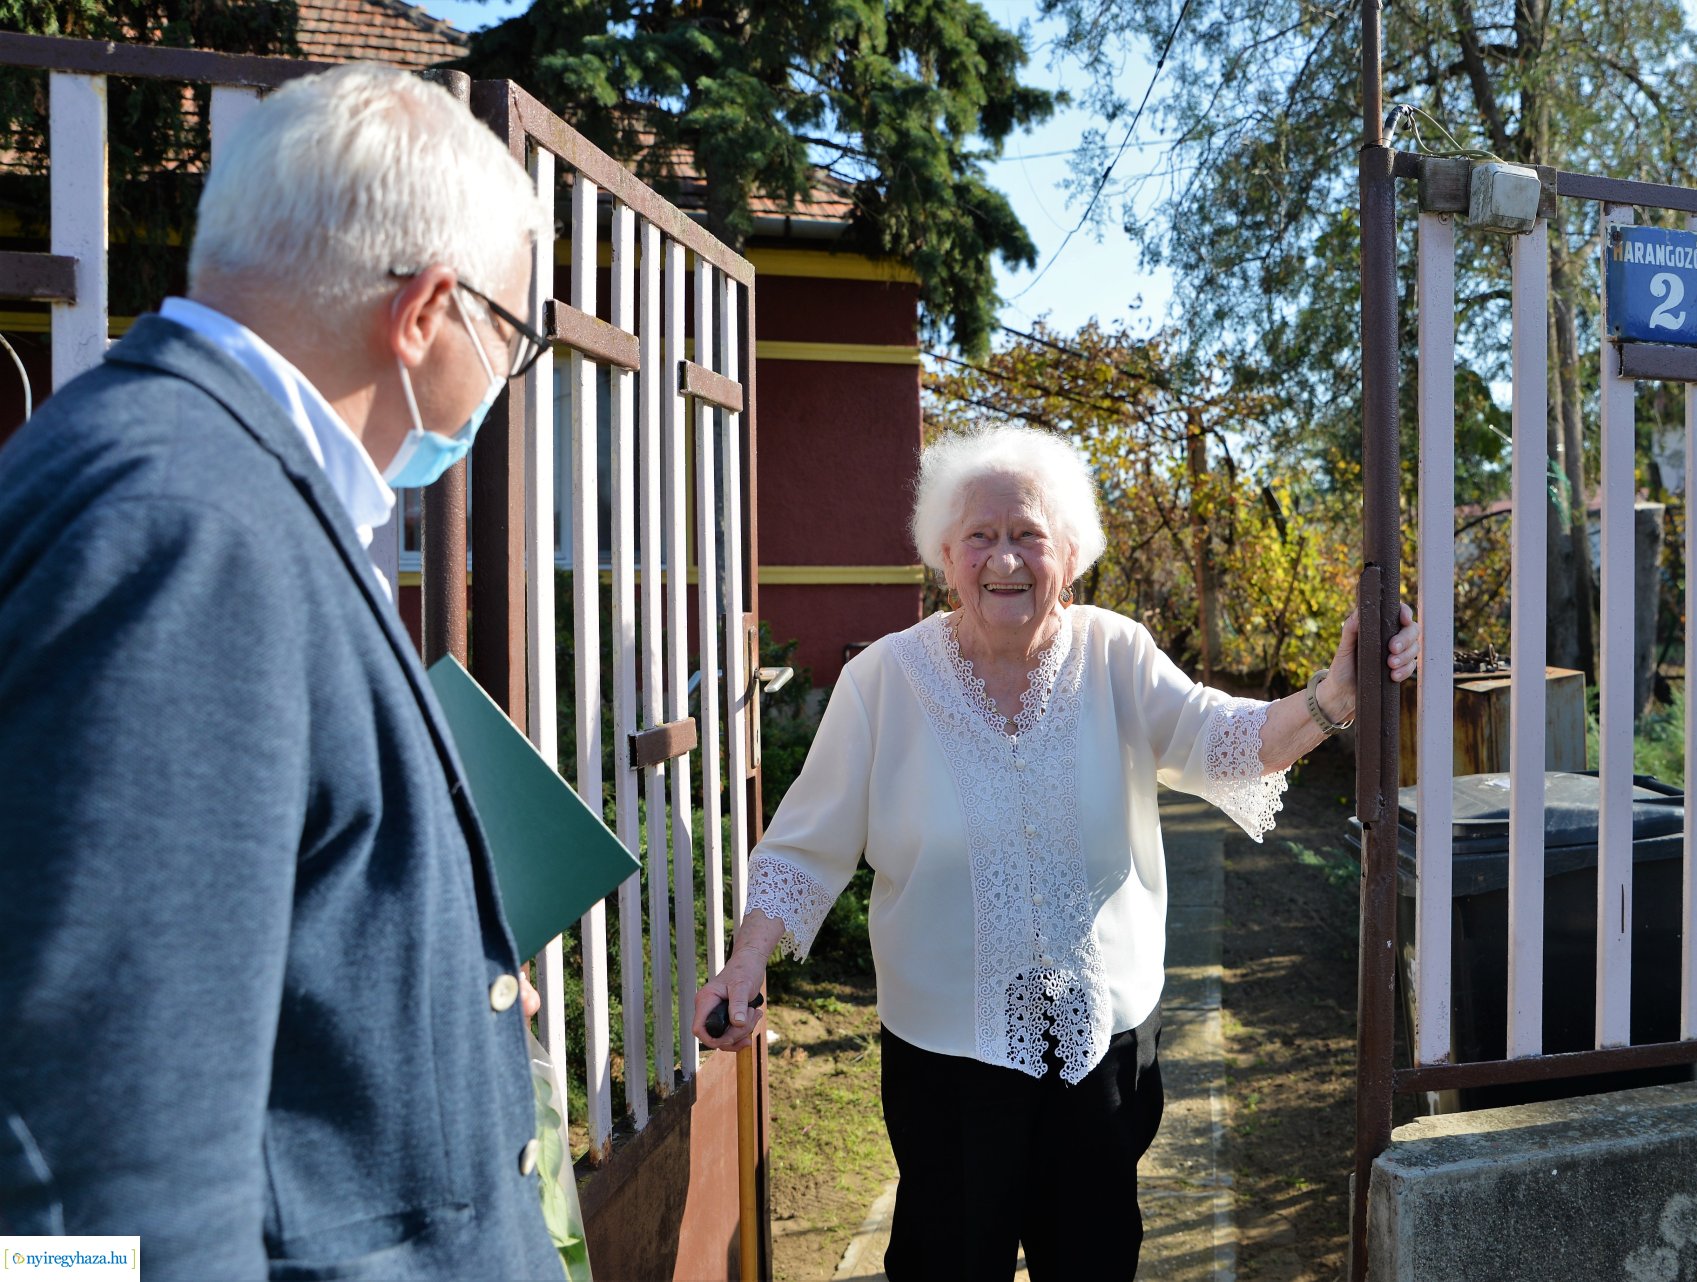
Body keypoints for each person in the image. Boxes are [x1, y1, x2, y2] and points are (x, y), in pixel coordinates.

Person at [0, 65, 563, 1279]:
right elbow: (89, 1169)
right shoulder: (192, 527)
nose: (501, 387)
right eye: (511, 339)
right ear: (426, 312)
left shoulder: (199, 478)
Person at [693, 423, 1420, 1280]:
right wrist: (747, 962)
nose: (1005, 559)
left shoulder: (1116, 654)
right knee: (947, 1263)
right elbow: (804, 844)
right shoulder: (882, 681)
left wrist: (1335, 694)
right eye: (981, 537)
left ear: (1070, 555)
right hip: (945, 1058)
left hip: (1100, 1050)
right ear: (944, 555)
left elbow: (1224, 739)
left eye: (1029, 535)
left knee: (1094, 1259)